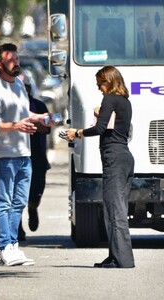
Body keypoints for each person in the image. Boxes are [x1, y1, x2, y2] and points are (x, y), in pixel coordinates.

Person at [0, 43, 54, 266]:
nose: (16, 63)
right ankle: (4, 247)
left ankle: (13, 245)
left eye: (17, 59)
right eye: (11, 60)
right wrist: (16, 126)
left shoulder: (20, 86)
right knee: (3, 202)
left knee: (19, 202)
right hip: (5, 155)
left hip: (25, 154)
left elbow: (25, 113)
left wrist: (38, 118)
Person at [66, 66, 135, 269]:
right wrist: (101, 112)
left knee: (115, 209)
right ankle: (115, 255)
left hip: (113, 157)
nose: (99, 89)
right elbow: (115, 127)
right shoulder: (125, 102)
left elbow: (100, 128)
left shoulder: (110, 99)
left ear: (110, 81)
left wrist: (77, 133)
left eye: (101, 84)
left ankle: (122, 259)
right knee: (114, 206)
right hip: (124, 156)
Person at [18, 73, 51, 240]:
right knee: (17, 194)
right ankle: (17, 227)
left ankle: (33, 208)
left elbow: (47, 127)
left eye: (25, 88)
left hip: (37, 156)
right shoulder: (11, 106)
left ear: (29, 89)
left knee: (36, 190)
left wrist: (30, 125)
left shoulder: (38, 105)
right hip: (17, 155)